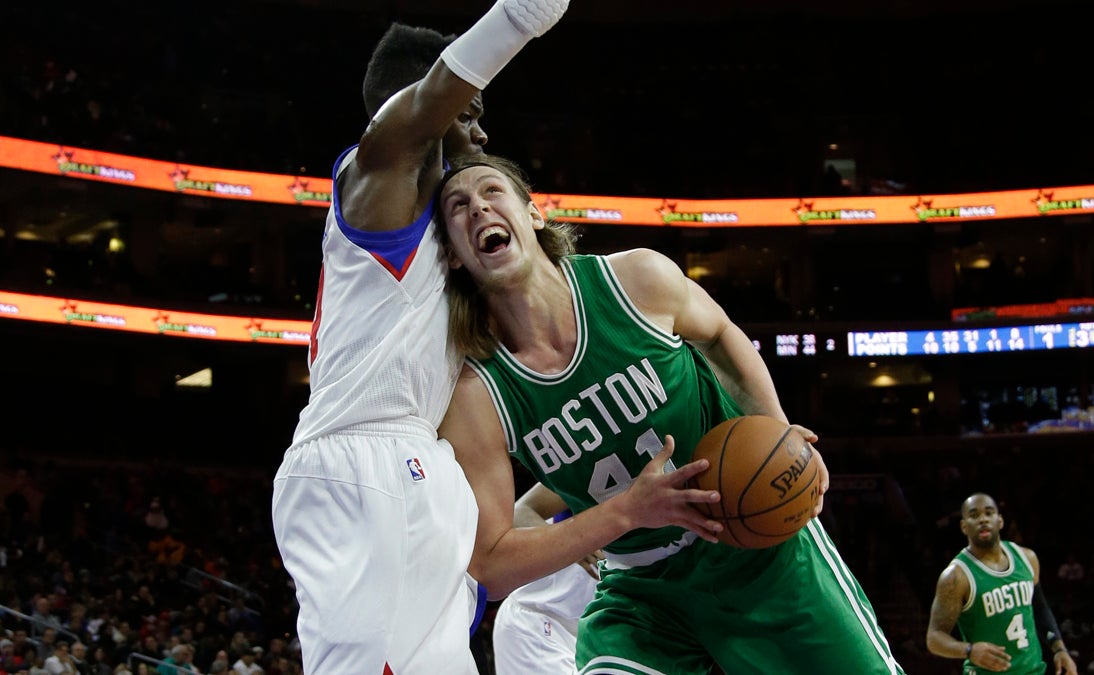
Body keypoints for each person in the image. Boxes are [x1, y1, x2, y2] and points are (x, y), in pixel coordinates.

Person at [435, 153, 906, 674]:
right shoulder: (475, 393)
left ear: (534, 214)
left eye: (491, 192)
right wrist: (626, 513)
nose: (477, 208)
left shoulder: (637, 280)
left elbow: (722, 334)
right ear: (453, 256)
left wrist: (778, 431)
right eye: (458, 206)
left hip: (758, 553)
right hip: (643, 589)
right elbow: (492, 565)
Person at [269, 0, 569, 673]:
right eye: (470, 114)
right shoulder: (379, 177)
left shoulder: (448, 251)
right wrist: (523, 15)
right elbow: (427, 101)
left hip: (414, 463)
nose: (483, 135)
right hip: (364, 460)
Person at [926, 492, 1079, 675]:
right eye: (974, 515)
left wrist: (1059, 649)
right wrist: (969, 650)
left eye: (989, 513)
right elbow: (934, 638)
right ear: (964, 526)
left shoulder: (1027, 558)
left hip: (1033, 671)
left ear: (1000, 520)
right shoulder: (956, 576)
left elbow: (1040, 609)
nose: (983, 519)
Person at [491, 483, 600, 675]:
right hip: (539, 623)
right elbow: (519, 512)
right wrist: (571, 542)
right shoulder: (595, 463)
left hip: (594, 639)